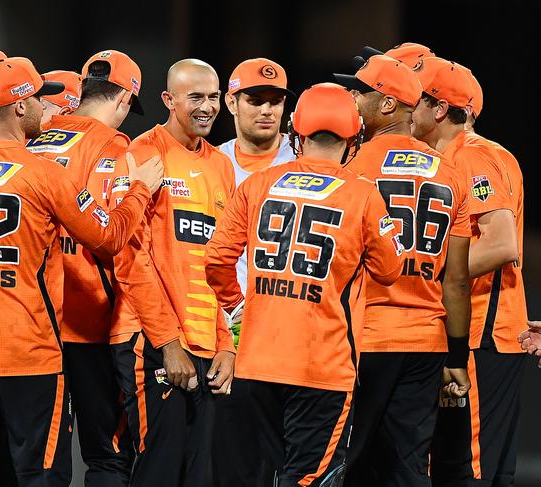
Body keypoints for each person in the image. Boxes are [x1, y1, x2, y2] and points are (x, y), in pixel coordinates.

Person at [0, 56, 162, 487]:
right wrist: (138, 191)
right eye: (40, 100)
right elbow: (108, 238)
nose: (50, 108)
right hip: (29, 353)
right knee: (40, 475)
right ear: (21, 107)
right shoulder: (43, 173)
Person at [205, 82, 405, 486]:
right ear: (354, 139)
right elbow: (390, 270)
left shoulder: (257, 185)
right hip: (323, 367)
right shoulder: (365, 196)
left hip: (256, 363)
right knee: (310, 479)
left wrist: (235, 305)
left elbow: (215, 260)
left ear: (295, 135)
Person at [332, 54, 472, 487]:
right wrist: (456, 356)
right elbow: (457, 278)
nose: (353, 102)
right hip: (426, 341)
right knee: (408, 469)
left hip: (366, 334)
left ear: (389, 105)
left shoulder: (352, 167)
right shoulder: (449, 172)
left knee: (346, 464)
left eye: (362, 94)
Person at [108, 58, 236, 487]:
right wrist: (167, 342)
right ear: (168, 100)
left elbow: (220, 263)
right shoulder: (144, 153)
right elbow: (129, 258)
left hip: (205, 346)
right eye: (195, 97)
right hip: (152, 342)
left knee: (198, 477)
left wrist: (226, 345)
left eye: (214, 97)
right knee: (157, 473)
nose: (207, 107)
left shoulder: (221, 166)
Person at [25, 49, 145, 486]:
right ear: (123, 101)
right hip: (91, 321)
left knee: (37, 456)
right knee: (108, 455)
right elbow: (111, 233)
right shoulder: (114, 146)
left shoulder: (36, 138)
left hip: (35, 320)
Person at [408, 56, 522, 487]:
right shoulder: (456, 157)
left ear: (438, 109)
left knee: (471, 473)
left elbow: (500, 242)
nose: (406, 108)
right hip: (472, 331)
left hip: (481, 335)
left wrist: (424, 275)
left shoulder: (472, 157)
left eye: (414, 100)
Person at [213, 57, 295, 487]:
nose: (266, 110)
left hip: (295, 330)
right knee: (240, 465)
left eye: (275, 101)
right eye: (255, 100)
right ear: (232, 102)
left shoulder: (304, 162)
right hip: (231, 331)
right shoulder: (214, 163)